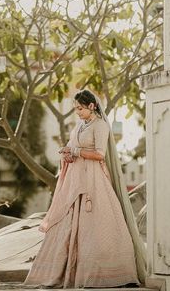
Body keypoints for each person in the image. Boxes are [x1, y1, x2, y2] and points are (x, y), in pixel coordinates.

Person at [25, 89, 146, 288]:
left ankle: (104, 273)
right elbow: (74, 147)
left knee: (98, 222)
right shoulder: (81, 125)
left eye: (80, 108)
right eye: (75, 109)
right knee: (68, 220)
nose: (78, 112)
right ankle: (66, 271)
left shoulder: (100, 126)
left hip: (93, 179)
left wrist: (76, 151)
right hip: (76, 177)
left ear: (92, 106)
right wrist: (68, 153)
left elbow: (99, 154)